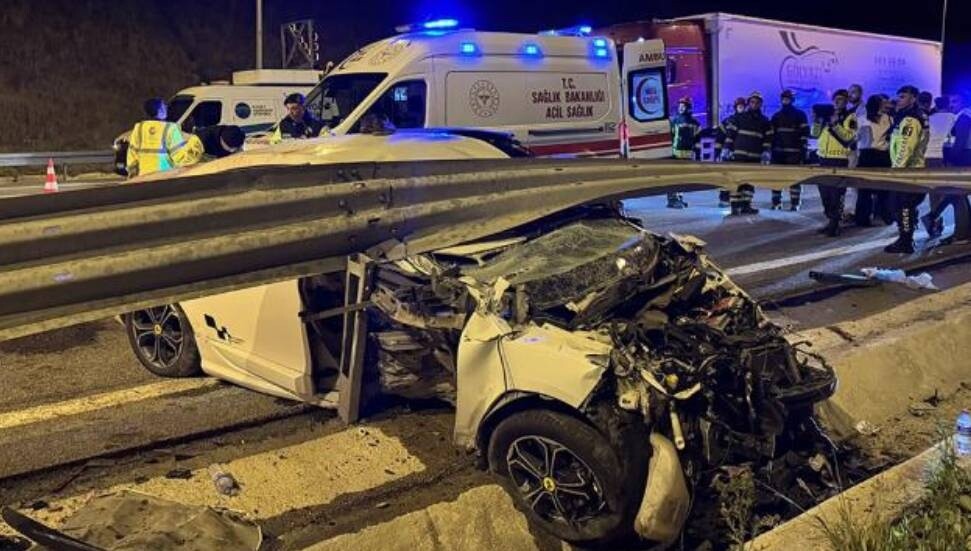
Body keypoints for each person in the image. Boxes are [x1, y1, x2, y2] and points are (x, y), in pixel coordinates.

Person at [885, 85, 930, 254]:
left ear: (913, 98)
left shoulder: (911, 119)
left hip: (908, 172)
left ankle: (905, 242)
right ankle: (905, 237)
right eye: (899, 96)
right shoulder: (907, 116)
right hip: (909, 170)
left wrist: (896, 171)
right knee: (903, 207)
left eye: (903, 96)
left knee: (903, 207)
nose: (899, 99)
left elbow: (906, 147)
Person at [922, 93, 971, 244]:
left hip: (959, 158)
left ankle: (960, 233)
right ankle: (961, 231)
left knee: (956, 194)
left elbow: (960, 141)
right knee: (958, 194)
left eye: (955, 101)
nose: (952, 104)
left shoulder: (963, 116)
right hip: (963, 157)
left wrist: (951, 159)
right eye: (951, 101)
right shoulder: (959, 116)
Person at [811, 89, 858, 236]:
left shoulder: (850, 117)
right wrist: (817, 121)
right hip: (823, 158)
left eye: (841, 99)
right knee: (824, 193)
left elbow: (849, 137)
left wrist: (835, 124)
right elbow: (814, 134)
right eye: (835, 99)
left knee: (836, 194)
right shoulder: (825, 115)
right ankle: (830, 218)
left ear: (846, 101)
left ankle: (835, 223)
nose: (838, 102)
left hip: (839, 159)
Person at [721, 91, 773, 216]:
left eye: (757, 102)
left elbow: (768, 139)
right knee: (736, 181)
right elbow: (730, 135)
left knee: (749, 182)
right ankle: (735, 207)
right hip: (738, 156)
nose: (754, 104)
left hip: (755, 157)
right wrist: (726, 148)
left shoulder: (765, 121)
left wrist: (766, 152)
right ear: (748, 103)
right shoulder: (739, 118)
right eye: (752, 102)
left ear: (761, 104)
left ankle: (746, 205)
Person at [125, 98, 200, 178]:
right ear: (160, 111)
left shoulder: (139, 128)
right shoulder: (170, 128)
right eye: (164, 107)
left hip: (143, 177)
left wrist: (132, 174)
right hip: (164, 177)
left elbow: (132, 155)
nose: (166, 109)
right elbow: (181, 158)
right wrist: (195, 142)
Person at [854, 94, 893, 226]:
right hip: (867, 155)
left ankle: (885, 216)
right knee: (864, 190)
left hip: (883, 155)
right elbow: (856, 137)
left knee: (884, 189)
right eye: (882, 103)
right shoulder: (861, 119)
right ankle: (862, 218)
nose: (885, 105)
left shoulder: (889, 118)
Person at [769, 89, 809, 210]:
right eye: (784, 98)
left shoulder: (800, 115)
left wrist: (803, 149)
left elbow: (804, 133)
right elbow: (771, 135)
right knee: (776, 178)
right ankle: (776, 202)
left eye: (788, 98)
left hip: (794, 153)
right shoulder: (776, 116)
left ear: (792, 100)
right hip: (778, 153)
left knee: (794, 179)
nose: (785, 100)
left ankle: (795, 204)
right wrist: (771, 150)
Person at [668, 96, 700, 209]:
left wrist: (697, 154)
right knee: (674, 177)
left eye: (683, 106)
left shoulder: (695, 123)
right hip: (676, 153)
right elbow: (671, 136)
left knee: (683, 178)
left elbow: (697, 139)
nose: (680, 108)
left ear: (688, 107)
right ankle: (672, 199)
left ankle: (679, 198)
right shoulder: (675, 120)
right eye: (680, 106)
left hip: (688, 154)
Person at [716, 97, 748, 207]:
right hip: (728, 153)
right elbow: (720, 137)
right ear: (735, 107)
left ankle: (739, 200)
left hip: (741, 154)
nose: (741, 108)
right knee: (726, 177)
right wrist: (719, 152)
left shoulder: (748, 122)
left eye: (742, 106)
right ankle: (724, 199)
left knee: (740, 178)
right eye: (739, 106)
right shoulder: (728, 121)